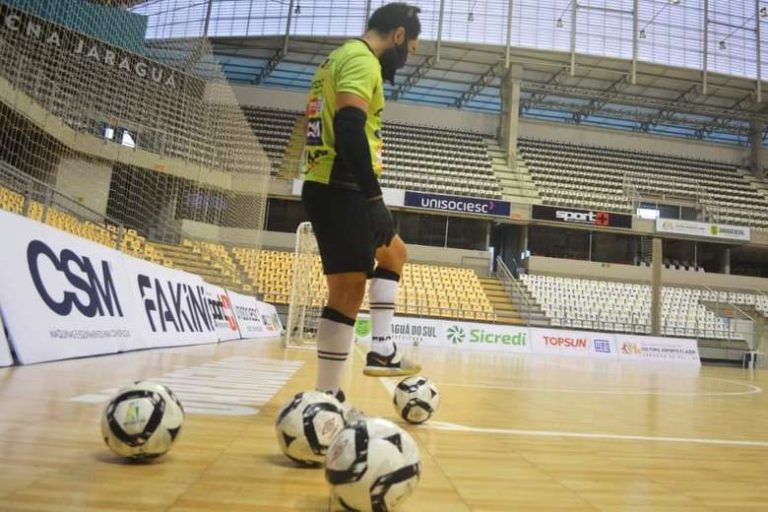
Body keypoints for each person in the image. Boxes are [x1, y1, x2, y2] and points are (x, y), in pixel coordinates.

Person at [302, 3, 422, 400]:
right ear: (399, 35)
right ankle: (327, 396)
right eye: (411, 48)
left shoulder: (340, 56)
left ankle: (382, 350)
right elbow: (351, 128)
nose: (407, 58)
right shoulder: (360, 59)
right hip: (341, 186)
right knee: (348, 290)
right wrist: (374, 198)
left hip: (341, 184)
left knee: (394, 254)